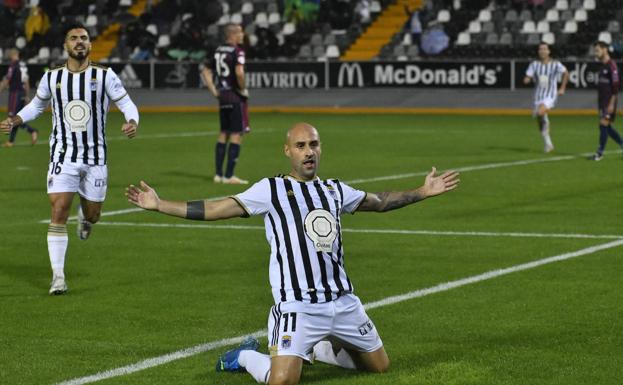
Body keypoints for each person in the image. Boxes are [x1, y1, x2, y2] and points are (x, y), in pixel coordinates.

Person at [125, 122, 460, 385]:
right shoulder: (269, 190)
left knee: (379, 368)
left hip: (343, 303)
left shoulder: (334, 190)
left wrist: (422, 191)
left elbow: (380, 202)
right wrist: (160, 205)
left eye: (313, 144)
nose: (308, 151)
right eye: (300, 145)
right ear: (288, 151)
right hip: (298, 307)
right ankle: (244, 356)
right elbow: (217, 207)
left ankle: (321, 347)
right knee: (283, 380)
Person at [0, 23, 139, 295]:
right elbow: (37, 105)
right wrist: (17, 119)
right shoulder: (52, 78)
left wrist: (132, 120)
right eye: (74, 38)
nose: (79, 42)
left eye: (84, 38)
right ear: (65, 45)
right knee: (58, 210)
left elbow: (126, 103)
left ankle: (85, 218)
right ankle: (58, 277)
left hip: (95, 156)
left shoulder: (105, 75)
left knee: (94, 214)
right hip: (63, 155)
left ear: (89, 45)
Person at [200, 23, 250, 185]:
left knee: (223, 133)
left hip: (222, 96)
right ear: (233, 35)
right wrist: (242, 89)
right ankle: (229, 176)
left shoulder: (218, 51)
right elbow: (239, 73)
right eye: (240, 32)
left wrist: (214, 91)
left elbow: (205, 71)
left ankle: (218, 175)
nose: (242, 35)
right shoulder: (238, 51)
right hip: (235, 96)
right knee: (236, 134)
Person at [523, 42, 569, 153]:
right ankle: (548, 143)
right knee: (540, 119)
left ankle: (544, 117)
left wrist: (562, 88)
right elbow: (528, 76)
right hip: (538, 96)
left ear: (549, 51)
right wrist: (527, 79)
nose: (542, 51)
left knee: (540, 112)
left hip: (550, 95)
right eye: (540, 49)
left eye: (544, 49)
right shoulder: (534, 64)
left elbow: (566, 73)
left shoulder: (555, 64)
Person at [0, 48, 39, 147]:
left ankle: (31, 132)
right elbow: (26, 82)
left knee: (11, 118)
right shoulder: (23, 65)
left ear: (12, 54)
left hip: (15, 94)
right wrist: (26, 96)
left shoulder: (13, 65)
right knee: (17, 118)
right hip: (21, 94)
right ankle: (12, 141)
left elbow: (7, 80)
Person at [591, 41, 622, 161]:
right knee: (606, 127)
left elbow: (616, 86)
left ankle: (600, 153)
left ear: (605, 50)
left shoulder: (612, 66)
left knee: (603, 124)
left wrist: (612, 103)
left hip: (609, 102)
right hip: (602, 102)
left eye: (598, 50)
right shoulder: (602, 66)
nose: (596, 53)